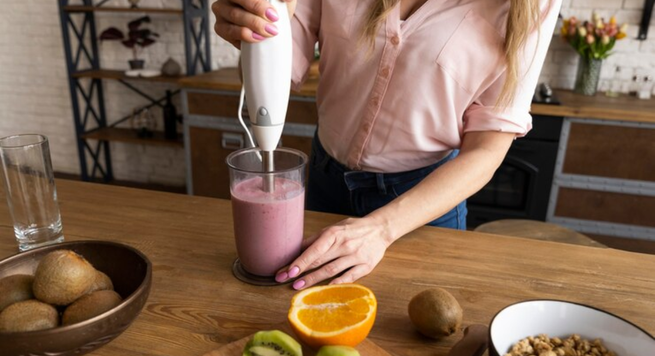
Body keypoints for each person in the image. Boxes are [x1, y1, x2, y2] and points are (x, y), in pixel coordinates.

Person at [212, 0, 562, 290]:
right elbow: (277, 64)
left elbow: (487, 150)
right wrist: (254, 31)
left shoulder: (531, 4)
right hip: (322, 182)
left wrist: (382, 229)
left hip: (422, 206)